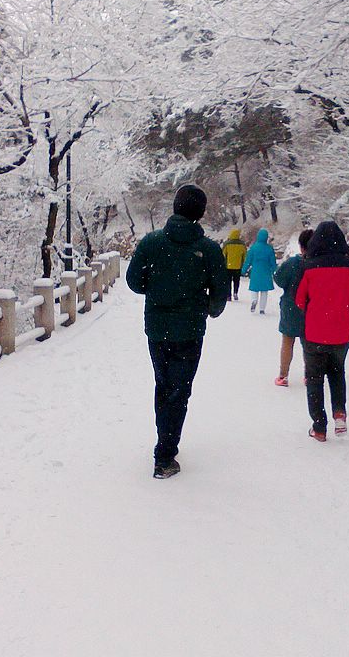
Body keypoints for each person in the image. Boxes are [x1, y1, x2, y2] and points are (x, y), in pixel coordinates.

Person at [126, 185, 229, 479]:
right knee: (180, 389)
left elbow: (134, 281)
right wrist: (206, 306)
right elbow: (220, 295)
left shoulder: (152, 242)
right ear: (201, 212)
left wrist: (157, 290)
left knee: (163, 384)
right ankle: (165, 452)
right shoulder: (208, 249)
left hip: (157, 328)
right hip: (190, 329)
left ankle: (165, 441)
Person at [295, 221, 349, 442]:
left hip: (313, 331)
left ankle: (319, 427)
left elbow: (299, 300)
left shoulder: (308, 267)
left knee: (314, 378)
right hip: (342, 332)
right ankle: (340, 412)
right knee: (337, 372)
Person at [272, 228, 314, 387]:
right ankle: (309, 375)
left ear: (301, 246)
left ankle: (283, 376)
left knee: (287, 342)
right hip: (310, 309)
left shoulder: (292, 263)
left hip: (291, 306)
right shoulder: (316, 265)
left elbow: (279, 278)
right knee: (308, 344)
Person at [241, 228, 277, 314]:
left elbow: (248, 260)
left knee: (254, 289)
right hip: (266, 272)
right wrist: (275, 271)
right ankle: (262, 309)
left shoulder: (253, 248)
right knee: (264, 291)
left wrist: (243, 270)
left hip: (255, 272)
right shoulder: (269, 249)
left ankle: (254, 300)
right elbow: (273, 262)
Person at [222, 228, 247, 301]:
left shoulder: (227, 244)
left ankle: (228, 295)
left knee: (228, 281)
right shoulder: (242, 245)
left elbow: (223, 255)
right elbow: (245, 255)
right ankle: (235, 292)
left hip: (228, 266)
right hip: (238, 266)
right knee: (236, 281)